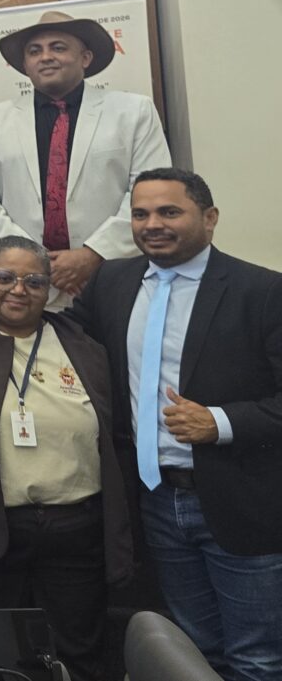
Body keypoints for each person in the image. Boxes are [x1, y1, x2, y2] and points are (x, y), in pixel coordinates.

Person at [64, 169, 282, 681]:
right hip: (155, 501)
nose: (152, 224)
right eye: (140, 214)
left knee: (258, 659)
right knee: (192, 656)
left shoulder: (263, 291)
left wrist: (220, 422)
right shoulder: (112, 282)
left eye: (169, 212)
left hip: (240, 502)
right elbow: (63, 339)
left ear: (209, 218)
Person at [0, 237, 129, 681]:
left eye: (34, 281)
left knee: (79, 650)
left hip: (75, 527)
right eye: (4, 277)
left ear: (49, 290)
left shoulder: (84, 346)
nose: (19, 289)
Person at [0, 10, 172, 309]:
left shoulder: (133, 112)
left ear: (85, 58)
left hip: (112, 274)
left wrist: (92, 254)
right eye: (34, 51)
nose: (46, 57)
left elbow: (151, 193)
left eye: (58, 47)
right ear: (24, 65)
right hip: (27, 285)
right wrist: (32, 258)